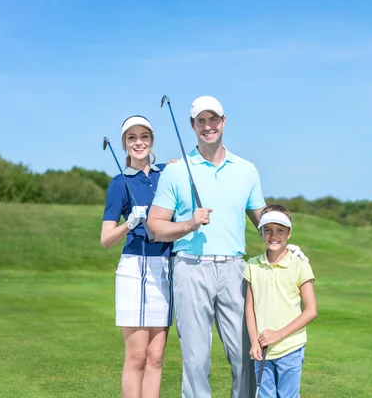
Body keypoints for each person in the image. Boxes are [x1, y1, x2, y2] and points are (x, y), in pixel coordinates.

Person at [147, 95, 308, 398]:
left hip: (235, 270)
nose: (208, 126)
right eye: (201, 121)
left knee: (246, 354)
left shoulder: (246, 170)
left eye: (213, 119)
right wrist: (188, 225)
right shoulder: (177, 170)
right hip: (190, 267)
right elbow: (155, 226)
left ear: (223, 121)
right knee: (196, 359)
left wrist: (288, 244)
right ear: (193, 126)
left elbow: (262, 220)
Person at [100, 115, 174, 398]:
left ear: (152, 140)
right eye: (132, 138)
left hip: (165, 267)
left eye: (144, 136)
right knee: (137, 356)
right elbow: (106, 239)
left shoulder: (166, 174)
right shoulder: (118, 183)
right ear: (124, 144)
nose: (139, 142)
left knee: (156, 357)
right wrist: (129, 223)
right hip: (135, 268)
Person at [244, 204, 317, 398]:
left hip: (290, 346)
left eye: (280, 230)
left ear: (289, 233)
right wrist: (253, 342)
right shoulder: (252, 265)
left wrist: (279, 334)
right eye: (267, 230)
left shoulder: (300, 264)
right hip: (262, 348)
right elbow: (249, 308)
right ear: (260, 232)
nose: (273, 235)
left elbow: (311, 310)